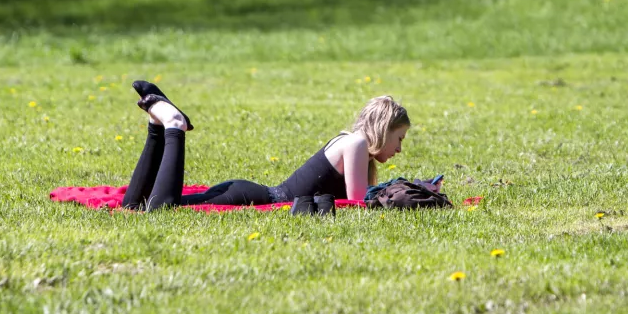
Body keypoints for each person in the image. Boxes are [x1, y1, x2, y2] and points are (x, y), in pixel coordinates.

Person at [121, 81, 412, 211]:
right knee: (160, 209)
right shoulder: (357, 143)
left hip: (246, 191)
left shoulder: (349, 140)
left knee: (135, 206)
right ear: (383, 130)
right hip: (254, 198)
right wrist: (408, 194)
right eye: (399, 139)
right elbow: (357, 204)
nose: (399, 149)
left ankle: (157, 125)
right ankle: (173, 125)